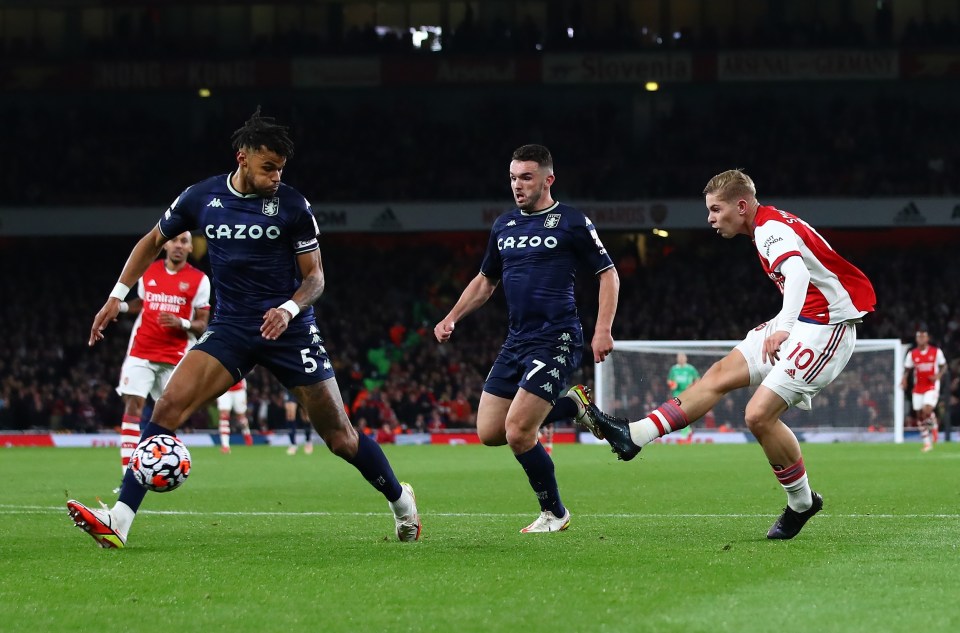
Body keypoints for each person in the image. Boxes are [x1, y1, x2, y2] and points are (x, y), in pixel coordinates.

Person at [68, 107, 421, 547]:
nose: (276, 176)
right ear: (243, 158)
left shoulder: (293, 205)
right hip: (231, 328)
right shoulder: (201, 197)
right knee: (167, 410)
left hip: (289, 330)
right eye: (268, 167)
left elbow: (315, 279)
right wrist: (117, 296)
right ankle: (120, 519)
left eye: (281, 169)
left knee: (339, 438)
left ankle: (401, 502)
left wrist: (289, 310)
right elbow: (151, 241)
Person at [576, 169, 876, 540]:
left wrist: (782, 326)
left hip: (826, 326)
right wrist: (787, 323)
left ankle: (801, 502)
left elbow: (797, 274)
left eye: (716, 210)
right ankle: (635, 434)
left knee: (758, 415)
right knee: (719, 374)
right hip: (803, 319)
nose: (710, 219)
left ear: (741, 205)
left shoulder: (769, 229)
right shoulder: (767, 224)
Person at [434, 144, 620, 533]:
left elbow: (608, 274)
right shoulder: (504, 226)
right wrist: (453, 316)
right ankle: (571, 406)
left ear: (548, 179)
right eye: (513, 178)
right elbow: (486, 281)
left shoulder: (572, 221)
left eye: (526, 177)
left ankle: (555, 512)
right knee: (489, 432)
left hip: (557, 338)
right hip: (516, 341)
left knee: (518, 431)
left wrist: (602, 328)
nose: (517, 185)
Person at [115, 231, 211, 477]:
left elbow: (202, 324)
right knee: (133, 404)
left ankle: (159, 470)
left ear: (190, 248)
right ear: (166, 243)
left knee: (168, 417)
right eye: (175, 240)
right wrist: (121, 306)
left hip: (176, 357)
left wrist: (182, 323)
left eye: (184, 242)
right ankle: (128, 476)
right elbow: (142, 302)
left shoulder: (199, 280)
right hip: (142, 351)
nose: (178, 245)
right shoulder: (149, 271)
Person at [901, 329, 947, 452]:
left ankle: (934, 425)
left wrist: (938, 376)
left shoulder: (936, 352)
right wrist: (904, 379)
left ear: (927, 338)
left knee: (927, 409)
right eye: (919, 337)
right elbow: (907, 369)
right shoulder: (912, 354)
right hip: (918, 387)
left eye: (923, 337)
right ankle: (927, 443)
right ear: (916, 339)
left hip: (931, 385)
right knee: (919, 416)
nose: (921, 339)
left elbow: (944, 366)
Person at [666, 352, 699, 443]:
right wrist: (673, 384)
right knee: (679, 414)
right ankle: (687, 431)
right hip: (677, 394)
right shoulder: (674, 369)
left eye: (682, 357)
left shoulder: (690, 369)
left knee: (683, 413)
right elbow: (669, 381)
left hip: (688, 393)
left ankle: (685, 434)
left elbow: (697, 379)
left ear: (686, 358)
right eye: (679, 357)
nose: (680, 359)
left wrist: (692, 386)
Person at [216, 379, 253, 453]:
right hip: (224, 388)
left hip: (239, 389)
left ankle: (247, 433)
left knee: (241, 416)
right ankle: (225, 445)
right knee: (224, 416)